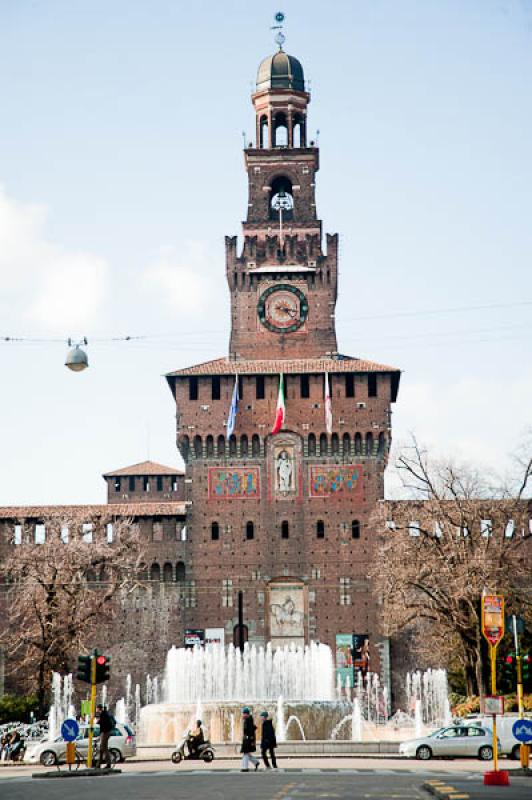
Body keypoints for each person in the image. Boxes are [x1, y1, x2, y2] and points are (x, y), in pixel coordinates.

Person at [95, 704, 115, 769]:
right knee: (101, 748)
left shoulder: (103, 714)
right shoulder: (104, 714)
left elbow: (102, 723)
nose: (96, 709)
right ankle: (98, 764)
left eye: (96, 708)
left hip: (106, 733)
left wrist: (98, 721)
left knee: (104, 748)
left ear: (98, 708)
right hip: (105, 732)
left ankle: (108, 764)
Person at [240, 707, 260, 772]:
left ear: (246, 714)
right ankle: (256, 762)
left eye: (243, 713)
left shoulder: (248, 720)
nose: (243, 715)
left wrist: (250, 740)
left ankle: (245, 768)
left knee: (246, 753)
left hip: (247, 740)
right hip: (247, 739)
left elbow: (250, 731)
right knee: (247, 753)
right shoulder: (248, 720)